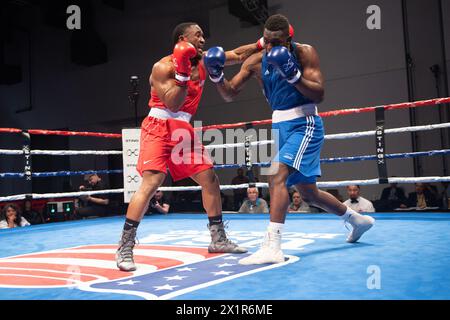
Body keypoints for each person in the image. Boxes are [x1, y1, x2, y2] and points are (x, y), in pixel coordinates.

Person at [204, 14, 375, 264]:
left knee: (276, 176)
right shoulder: (255, 61)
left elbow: (318, 94)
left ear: (288, 39)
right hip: (279, 126)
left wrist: (293, 75)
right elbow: (229, 94)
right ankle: (357, 220)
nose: (271, 47)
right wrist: (216, 77)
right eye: (267, 42)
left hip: (304, 123)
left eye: (277, 43)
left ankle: (273, 246)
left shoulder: (305, 53)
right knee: (309, 194)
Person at [116, 22, 262, 271]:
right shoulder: (162, 67)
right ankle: (125, 246)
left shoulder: (205, 60)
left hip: (183, 129)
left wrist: (262, 43)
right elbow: (173, 104)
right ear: (183, 39)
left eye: (204, 35)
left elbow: (237, 55)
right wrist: (182, 75)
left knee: (209, 178)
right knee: (152, 182)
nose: (203, 39)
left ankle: (218, 239)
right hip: (159, 124)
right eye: (198, 35)